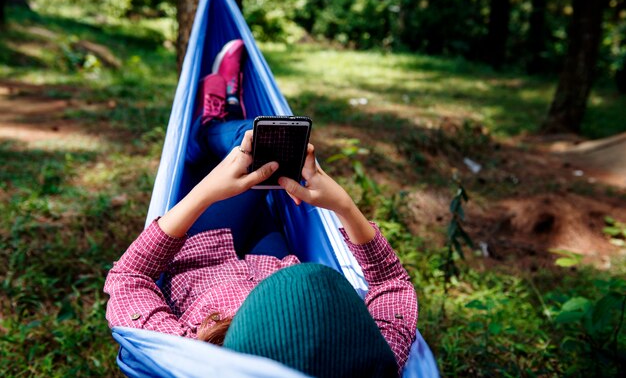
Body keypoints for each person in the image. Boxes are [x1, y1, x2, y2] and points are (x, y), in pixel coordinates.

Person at [104, 40, 418, 377]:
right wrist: (343, 205)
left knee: (254, 142)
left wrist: (202, 194)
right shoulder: (375, 364)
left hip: (203, 253)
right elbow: (391, 284)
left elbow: (130, 278)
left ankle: (205, 131)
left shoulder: (193, 355)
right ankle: (223, 122)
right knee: (269, 158)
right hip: (273, 259)